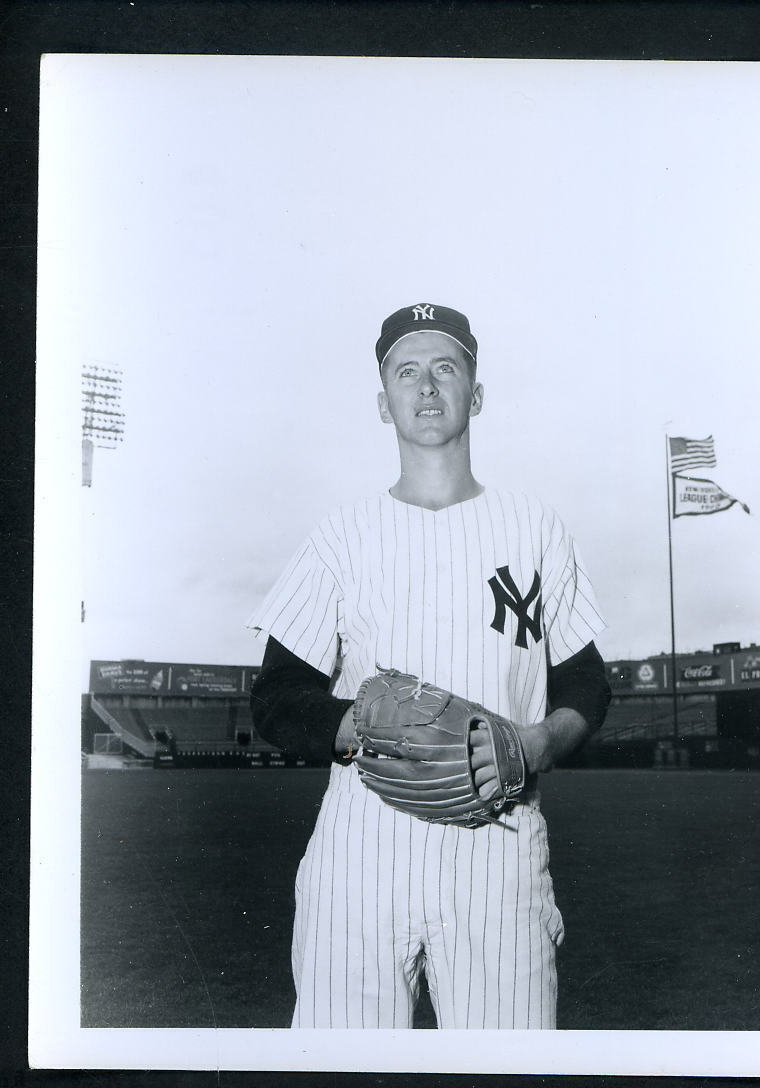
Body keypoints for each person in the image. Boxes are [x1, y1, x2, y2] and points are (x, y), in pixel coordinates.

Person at [248, 303, 610, 1029]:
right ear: (384, 404)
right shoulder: (341, 536)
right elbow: (277, 697)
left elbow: (586, 685)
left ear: (476, 394)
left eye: (446, 367)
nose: (426, 385)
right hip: (359, 856)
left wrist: (535, 743)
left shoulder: (534, 528)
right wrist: (352, 719)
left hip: (498, 855)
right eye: (406, 371)